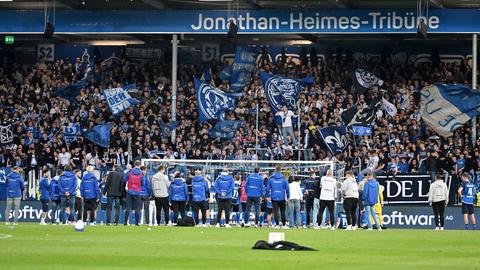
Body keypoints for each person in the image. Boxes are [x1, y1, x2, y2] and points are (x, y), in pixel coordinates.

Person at [123, 161, 144, 226]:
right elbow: (143, 182)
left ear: (134, 165)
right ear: (140, 165)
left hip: (130, 191)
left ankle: (126, 222)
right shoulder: (141, 173)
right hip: (137, 192)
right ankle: (136, 223)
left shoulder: (130, 172)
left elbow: (124, 179)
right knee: (137, 208)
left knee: (127, 208)